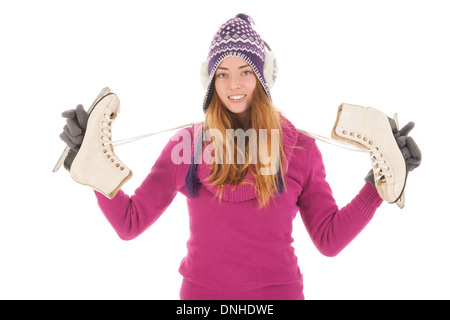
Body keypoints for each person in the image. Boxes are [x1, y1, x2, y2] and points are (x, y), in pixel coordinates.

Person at [59, 13, 421, 300]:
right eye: (224, 74)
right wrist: (92, 165)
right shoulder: (187, 146)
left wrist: (379, 185)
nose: (234, 85)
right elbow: (130, 222)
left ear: (263, 77)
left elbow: (328, 240)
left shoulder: (300, 151)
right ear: (211, 83)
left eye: (246, 71)